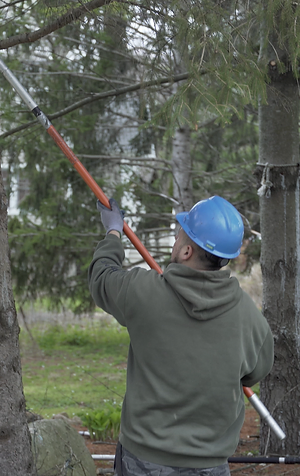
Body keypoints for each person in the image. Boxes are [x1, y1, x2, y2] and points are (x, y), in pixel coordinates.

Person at [88, 196, 274, 476]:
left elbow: (101, 277)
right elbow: (254, 372)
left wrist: (113, 230)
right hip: (210, 463)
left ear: (186, 251)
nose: (175, 240)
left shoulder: (142, 293)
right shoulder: (249, 317)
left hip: (143, 459)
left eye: (178, 236)